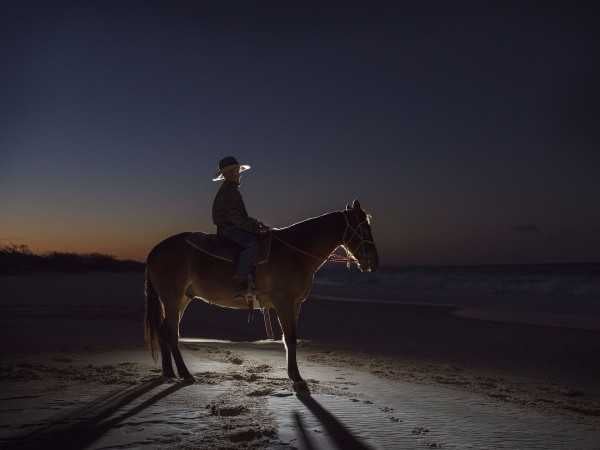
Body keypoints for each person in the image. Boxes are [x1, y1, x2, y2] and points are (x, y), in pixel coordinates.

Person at [211, 156, 269, 300]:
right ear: (225, 175)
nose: (237, 174)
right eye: (232, 172)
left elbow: (240, 217)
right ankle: (240, 283)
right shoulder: (229, 191)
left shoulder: (231, 190)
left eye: (236, 171)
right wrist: (255, 228)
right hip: (228, 229)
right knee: (252, 244)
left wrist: (256, 223)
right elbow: (235, 218)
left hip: (232, 226)